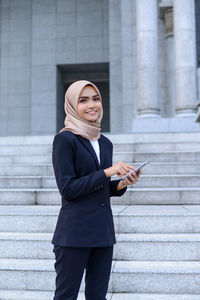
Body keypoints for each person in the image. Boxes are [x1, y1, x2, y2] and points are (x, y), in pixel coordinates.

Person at [52, 80, 141, 300]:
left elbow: (99, 188)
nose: (92, 105)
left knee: (98, 297)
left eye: (96, 99)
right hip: (74, 234)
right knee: (66, 296)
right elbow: (68, 189)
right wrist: (108, 172)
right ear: (73, 105)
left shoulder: (105, 143)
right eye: (83, 100)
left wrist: (121, 183)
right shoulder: (65, 140)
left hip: (103, 233)